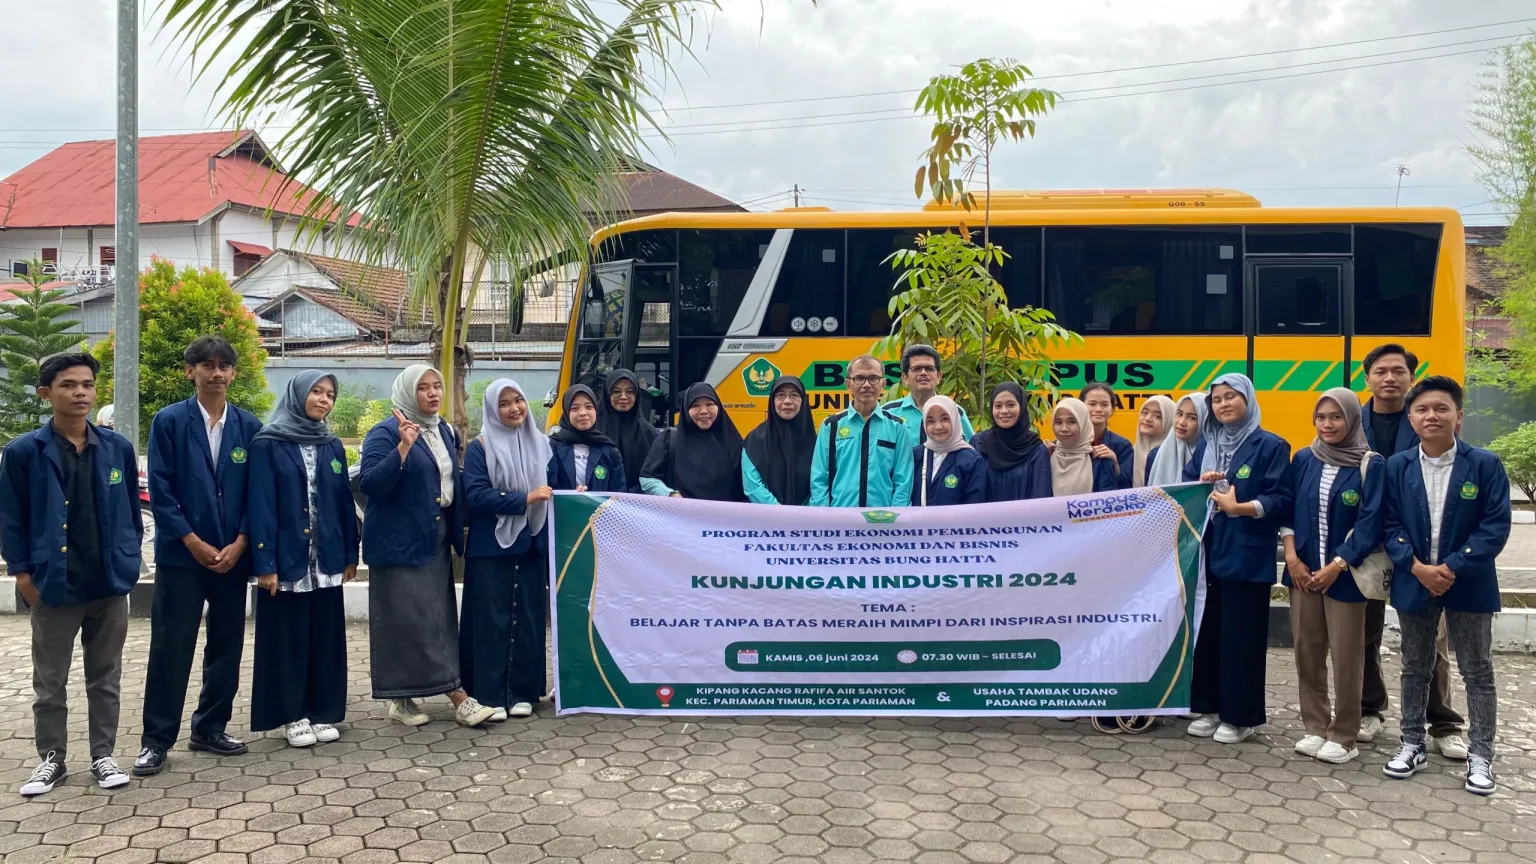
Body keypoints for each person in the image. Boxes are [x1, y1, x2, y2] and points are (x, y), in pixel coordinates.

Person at [0, 353, 141, 795]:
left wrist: (129, 558)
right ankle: (52, 760)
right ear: (46, 393)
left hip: (108, 582)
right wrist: (24, 576)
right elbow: (10, 519)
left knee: (106, 677)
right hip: (54, 583)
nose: (80, 392)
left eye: (87, 384)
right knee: (50, 681)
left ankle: (103, 755)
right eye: (68, 385)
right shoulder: (23, 452)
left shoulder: (116, 447)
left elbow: (132, 512)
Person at [135, 336, 264, 777]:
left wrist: (242, 541)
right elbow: (161, 488)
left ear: (234, 373)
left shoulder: (249, 426)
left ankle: (210, 727)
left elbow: (256, 492)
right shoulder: (169, 421)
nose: (216, 373)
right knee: (171, 647)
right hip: (182, 557)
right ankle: (156, 740)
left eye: (224, 365)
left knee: (227, 644)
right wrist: (191, 540)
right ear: (190, 371)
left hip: (232, 556)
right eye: (207, 365)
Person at [1382, 376, 1510, 796]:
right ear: (1411, 418)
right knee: (1415, 666)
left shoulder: (1484, 464)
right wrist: (1417, 567)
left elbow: (1494, 526)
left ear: (1458, 416)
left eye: (1441, 408)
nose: (1431, 416)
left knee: (1478, 670)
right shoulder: (1398, 466)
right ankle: (1412, 743)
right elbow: (1389, 523)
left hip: (1469, 582)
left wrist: (1451, 568)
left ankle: (1481, 754)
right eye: (1422, 409)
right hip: (1415, 579)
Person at [359, 364, 495, 728]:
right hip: (398, 541)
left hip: (434, 537)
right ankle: (457, 696)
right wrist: (403, 447)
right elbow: (370, 483)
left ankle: (402, 697)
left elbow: (449, 481)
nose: (433, 393)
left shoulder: (443, 430)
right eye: (423, 388)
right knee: (407, 619)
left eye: (437, 386)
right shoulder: (385, 432)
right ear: (407, 392)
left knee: (434, 617)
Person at [1357, 343, 1465, 755]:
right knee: (1364, 631)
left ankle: (1443, 722)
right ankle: (1369, 708)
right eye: (1380, 371)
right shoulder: (1352, 420)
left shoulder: (1426, 418)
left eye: (1398, 371)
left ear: (1410, 377)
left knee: (1430, 636)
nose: (1389, 378)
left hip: (1420, 545)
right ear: (1367, 378)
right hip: (1367, 543)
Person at [247, 371, 359, 748]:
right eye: (316, 392)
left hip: (326, 559)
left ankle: (323, 710)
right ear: (297, 395)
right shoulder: (268, 443)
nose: (324, 400)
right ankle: (291, 715)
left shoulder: (331, 445)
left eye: (330, 394)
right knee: (288, 641)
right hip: (286, 561)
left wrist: (350, 554)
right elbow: (260, 504)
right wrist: (265, 563)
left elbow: (343, 501)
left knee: (325, 639)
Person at [1183, 373, 1292, 745]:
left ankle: (1239, 716)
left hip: (1246, 553)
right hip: (1208, 549)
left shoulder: (1270, 445)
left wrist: (1241, 507)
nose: (1223, 404)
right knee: (1209, 630)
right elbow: (1186, 486)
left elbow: (1281, 498)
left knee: (1241, 636)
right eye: (1216, 400)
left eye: (1231, 396)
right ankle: (1209, 707)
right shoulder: (1206, 443)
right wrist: (1202, 483)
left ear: (1248, 398)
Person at [1280, 388, 1384, 766]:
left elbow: (1371, 523)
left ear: (1352, 419)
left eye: (1336, 417)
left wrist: (1337, 565)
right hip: (1303, 573)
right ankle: (1315, 726)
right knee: (1307, 651)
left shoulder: (1370, 464)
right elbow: (1289, 509)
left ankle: (1344, 735)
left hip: (1345, 576)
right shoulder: (1304, 458)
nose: (1327, 424)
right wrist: (1292, 558)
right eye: (1321, 417)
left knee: (1346, 656)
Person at [461, 380, 553, 722]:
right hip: (490, 548)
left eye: (518, 400)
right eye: (504, 404)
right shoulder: (480, 448)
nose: (514, 408)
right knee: (491, 619)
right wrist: (524, 498)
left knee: (527, 619)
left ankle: (523, 693)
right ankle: (490, 694)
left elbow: (554, 489)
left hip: (530, 543)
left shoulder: (543, 445)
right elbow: (476, 494)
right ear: (492, 410)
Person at [810, 355, 915, 507]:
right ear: (848, 384)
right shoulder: (831, 426)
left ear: (883, 383)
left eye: (873, 378)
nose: (867, 385)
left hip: (883, 517)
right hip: (840, 516)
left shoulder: (897, 427)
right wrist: (825, 515)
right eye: (859, 378)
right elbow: (819, 478)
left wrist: (895, 515)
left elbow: (903, 480)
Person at [641, 383, 745, 501]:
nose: (704, 411)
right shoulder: (670, 439)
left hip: (725, 512)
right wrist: (670, 495)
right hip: (681, 512)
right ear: (686, 409)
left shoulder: (733, 442)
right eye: (695, 406)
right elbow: (647, 478)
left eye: (710, 404)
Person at [970, 383, 1051, 502]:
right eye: (998, 406)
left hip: (1026, 514)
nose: (1003, 411)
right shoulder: (978, 443)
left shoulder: (1036, 449)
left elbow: (1041, 499)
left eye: (1010, 405)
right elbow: (970, 493)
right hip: (984, 514)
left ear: (1022, 407)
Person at [743, 376, 816, 505]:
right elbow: (753, 487)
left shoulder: (816, 442)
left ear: (803, 400)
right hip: (768, 515)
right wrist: (780, 512)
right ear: (772, 401)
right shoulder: (754, 440)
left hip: (808, 515)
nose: (787, 401)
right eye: (780, 395)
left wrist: (806, 511)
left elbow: (821, 483)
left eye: (794, 395)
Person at [882, 344, 974, 442]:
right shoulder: (888, 412)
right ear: (905, 378)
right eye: (916, 369)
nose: (923, 373)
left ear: (938, 376)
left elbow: (972, 447)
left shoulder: (954, 411)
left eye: (929, 368)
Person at [548, 385, 627, 492]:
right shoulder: (553, 446)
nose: (583, 413)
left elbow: (618, 493)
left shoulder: (609, 451)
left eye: (589, 407)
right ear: (566, 412)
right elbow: (548, 487)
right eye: (575, 408)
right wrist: (573, 496)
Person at [909, 396, 985, 506]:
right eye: (931, 421)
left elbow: (975, 506)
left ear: (954, 419)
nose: (938, 426)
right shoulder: (915, 456)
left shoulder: (971, 461)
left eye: (944, 419)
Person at [594, 369, 656, 494]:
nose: (623, 396)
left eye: (630, 392)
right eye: (616, 391)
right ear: (607, 394)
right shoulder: (594, 429)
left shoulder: (649, 434)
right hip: (597, 500)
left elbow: (653, 474)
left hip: (637, 501)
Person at [1049, 398, 1119, 496]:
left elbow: (1107, 501)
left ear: (1084, 423)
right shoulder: (1046, 456)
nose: (1064, 429)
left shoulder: (1100, 460)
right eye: (1058, 422)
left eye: (1072, 422)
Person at [1081, 382, 1134, 489]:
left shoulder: (1123, 445)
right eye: (1092, 404)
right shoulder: (1065, 443)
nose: (1098, 409)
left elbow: (1127, 486)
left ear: (1112, 409)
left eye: (1104, 405)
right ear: (1080, 407)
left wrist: (1114, 462)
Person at [1146, 393, 1207, 487]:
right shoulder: (1156, 455)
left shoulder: (1211, 455)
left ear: (1205, 421)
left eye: (1192, 418)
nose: (1181, 422)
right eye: (1179, 414)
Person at [1131, 395, 1176, 487]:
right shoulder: (1130, 451)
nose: (1147, 419)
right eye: (1144, 412)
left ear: (1169, 421)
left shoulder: (1174, 455)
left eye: (1158, 416)